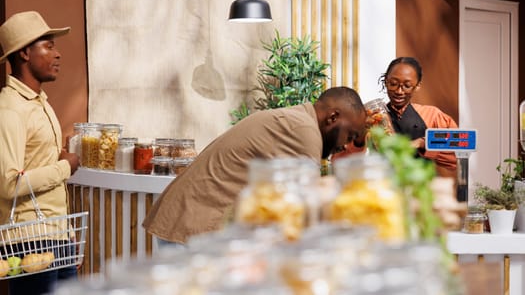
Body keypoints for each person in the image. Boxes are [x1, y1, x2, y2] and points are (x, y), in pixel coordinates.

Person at [143, 86, 368, 244]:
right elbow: (309, 206)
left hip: (188, 219)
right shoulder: (304, 131)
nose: (347, 145)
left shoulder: (298, 119)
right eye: (350, 135)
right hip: (194, 226)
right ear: (333, 118)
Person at [0, 11, 80, 295]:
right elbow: (9, 183)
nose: (57, 54)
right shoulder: (10, 110)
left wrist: (66, 233)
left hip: (55, 234)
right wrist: (65, 167)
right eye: (48, 46)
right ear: (24, 53)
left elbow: (38, 162)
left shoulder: (40, 103)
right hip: (29, 240)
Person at [379, 56, 458, 178]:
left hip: (421, 184)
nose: (399, 91)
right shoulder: (377, 117)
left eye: (407, 85)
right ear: (386, 82)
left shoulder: (432, 115)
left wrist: (422, 143)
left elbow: (458, 144)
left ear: (417, 86)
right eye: (393, 84)